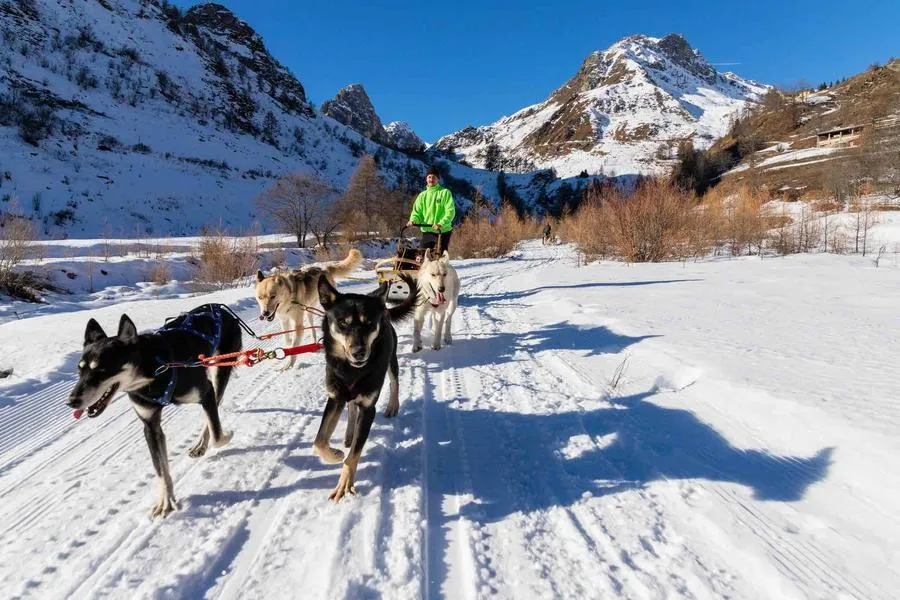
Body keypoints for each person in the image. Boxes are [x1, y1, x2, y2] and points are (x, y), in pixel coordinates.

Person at [407, 166, 456, 254]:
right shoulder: (422, 196)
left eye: (434, 177)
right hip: (428, 230)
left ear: (438, 179)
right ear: (426, 179)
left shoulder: (445, 193)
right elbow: (417, 212)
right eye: (429, 177)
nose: (431, 179)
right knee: (422, 254)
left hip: (442, 231)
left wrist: (441, 223)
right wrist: (413, 220)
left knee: (440, 255)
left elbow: (450, 211)